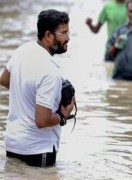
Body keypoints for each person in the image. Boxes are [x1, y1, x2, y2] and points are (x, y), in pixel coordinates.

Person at [0, 9, 75, 167]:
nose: (68, 38)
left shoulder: (22, 50)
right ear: (49, 35)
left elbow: (5, 80)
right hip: (38, 150)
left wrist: (27, 96)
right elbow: (42, 120)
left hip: (13, 144)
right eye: (64, 33)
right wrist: (63, 116)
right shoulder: (50, 71)